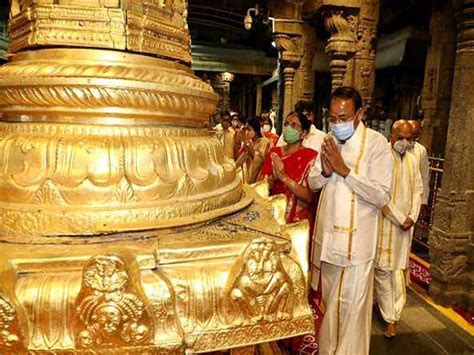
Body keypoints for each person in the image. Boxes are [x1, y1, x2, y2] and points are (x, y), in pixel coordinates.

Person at [308, 86, 393, 355]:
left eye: (343, 118)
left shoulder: (377, 144)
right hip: (330, 244)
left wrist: (345, 171)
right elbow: (312, 183)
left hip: (356, 248)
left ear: (359, 114)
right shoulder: (328, 141)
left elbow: (381, 196)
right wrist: (325, 168)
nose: (337, 124)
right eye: (333, 118)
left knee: (350, 314)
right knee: (331, 309)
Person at [374, 120, 423, 339]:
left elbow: (418, 190)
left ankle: (392, 315)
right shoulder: (381, 157)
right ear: (392, 136)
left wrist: (412, 216)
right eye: (401, 138)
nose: (405, 142)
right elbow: (379, 194)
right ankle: (389, 316)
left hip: (405, 226)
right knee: (383, 270)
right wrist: (399, 217)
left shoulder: (413, 159)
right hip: (386, 222)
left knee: (397, 271)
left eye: (409, 139)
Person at [259, 112, 318, 228]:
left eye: (294, 125)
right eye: (286, 124)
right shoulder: (274, 152)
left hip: (298, 221)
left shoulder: (311, 157)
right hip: (273, 214)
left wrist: (284, 177)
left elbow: (310, 196)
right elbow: (261, 184)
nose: (288, 128)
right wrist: (271, 179)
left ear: (304, 133)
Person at [235, 117, 271, 184]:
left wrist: (249, 146)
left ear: (256, 131)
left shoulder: (264, 142)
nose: (246, 132)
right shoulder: (250, 142)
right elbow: (241, 158)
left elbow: (258, 161)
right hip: (247, 175)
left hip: (257, 177)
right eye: (245, 129)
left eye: (249, 130)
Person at [408, 119, 430, 219]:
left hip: (412, 196)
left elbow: (424, 177)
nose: (413, 137)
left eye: (416, 134)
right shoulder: (389, 147)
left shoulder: (421, 151)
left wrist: (423, 202)